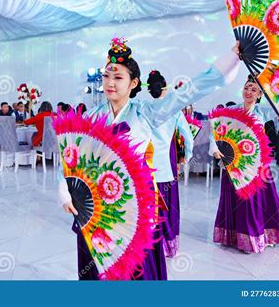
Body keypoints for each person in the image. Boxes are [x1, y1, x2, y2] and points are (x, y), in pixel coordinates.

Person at [58, 37, 242, 280]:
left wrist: (231, 58)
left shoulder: (146, 113)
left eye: (118, 77)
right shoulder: (91, 117)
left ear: (133, 82)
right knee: (98, 269)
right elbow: (72, 159)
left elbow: (189, 92)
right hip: (97, 208)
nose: (110, 83)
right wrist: (64, 187)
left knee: (137, 270)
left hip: (134, 206)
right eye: (106, 76)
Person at [209, 75, 279, 253]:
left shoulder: (260, 116)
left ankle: (254, 237)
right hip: (230, 165)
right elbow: (215, 130)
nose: (248, 91)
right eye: (247, 87)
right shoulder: (230, 110)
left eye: (254, 89)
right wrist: (214, 147)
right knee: (232, 200)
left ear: (259, 95)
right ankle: (232, 236)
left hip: (252, 168)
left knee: (251, 202)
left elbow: (259, 144)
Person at [147, 70, 194, 258]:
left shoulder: (144, 108)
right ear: (165, 87)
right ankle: (167, 245)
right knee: (167, 207)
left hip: (145, 166)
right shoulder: (174, 110)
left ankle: (150, 244)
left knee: (148, 206)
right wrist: (186, 157)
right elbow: (188, 137)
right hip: (166, 167)